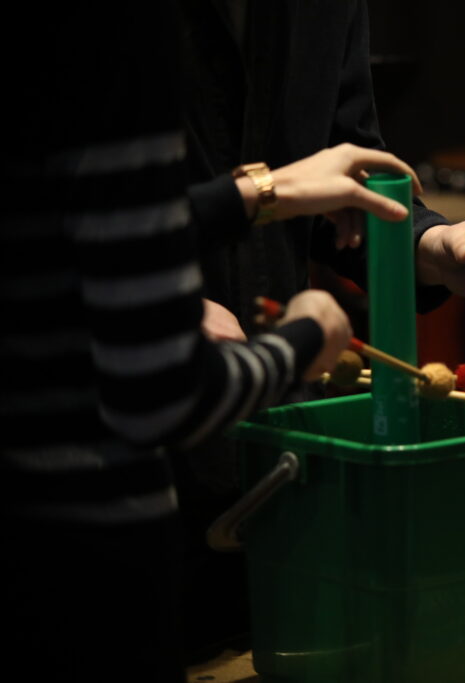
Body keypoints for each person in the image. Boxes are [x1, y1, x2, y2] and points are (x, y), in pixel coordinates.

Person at [0, 5, 391, 681]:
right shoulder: (118, 36)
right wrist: (305, 340)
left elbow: (67, 238)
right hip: (83, 575)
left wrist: (254, 194)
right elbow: (163, 392)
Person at [172, 0, 465, 659]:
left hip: (278, 464)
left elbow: (341, 187)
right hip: (118, 472)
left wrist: (431, 246)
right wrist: (159, 298)